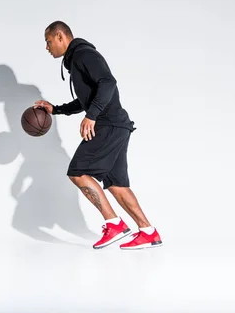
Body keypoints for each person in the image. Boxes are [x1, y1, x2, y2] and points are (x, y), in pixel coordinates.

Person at [34, 20, 162, 250]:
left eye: (48, 41)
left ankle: (113, 224)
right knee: (116, 184)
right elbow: (87, 98)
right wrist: (57, 109)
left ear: (61, 37)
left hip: (108, 125)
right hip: (117, 125)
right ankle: (148, 232)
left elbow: (108, 83)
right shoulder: (75, 60)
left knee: (77, 171)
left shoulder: (83, 54)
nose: (47, 47)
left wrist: (92, 116)